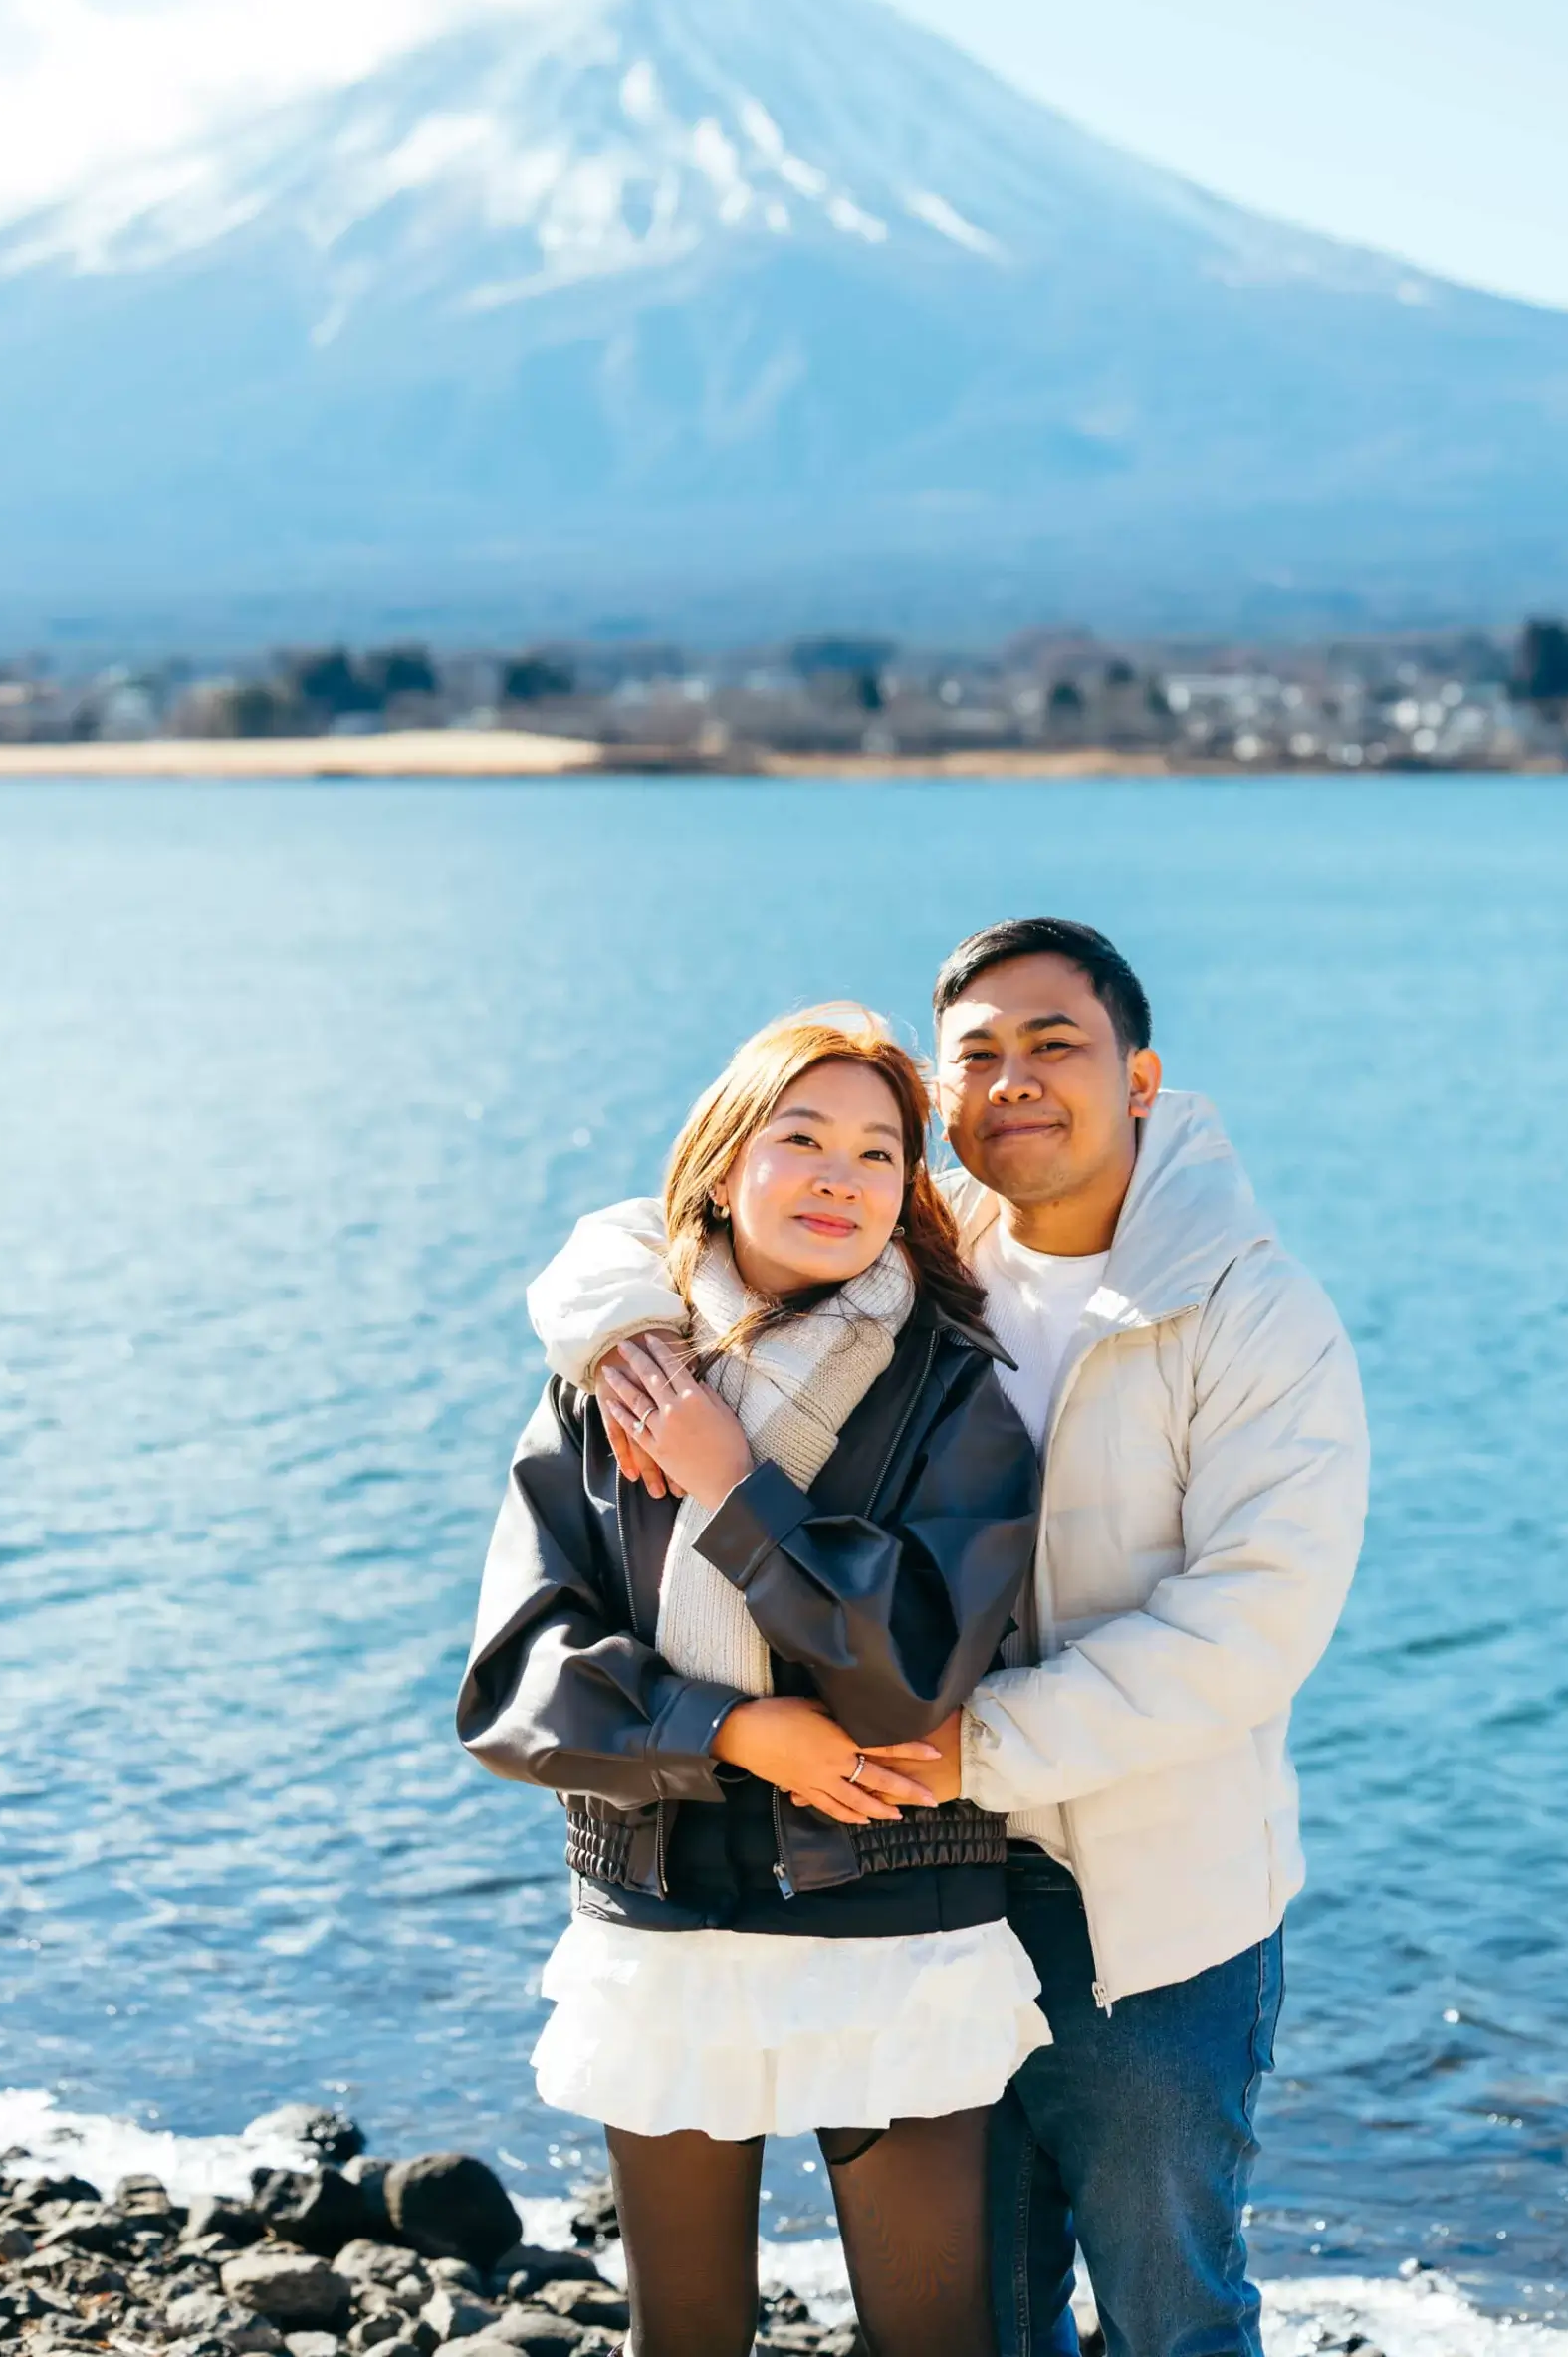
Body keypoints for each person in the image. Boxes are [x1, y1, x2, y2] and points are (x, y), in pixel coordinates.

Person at [526, 918, 1370, 2357]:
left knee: (1168, 2304)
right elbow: (650, 1224)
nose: (1014, 1080)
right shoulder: (928, 1242)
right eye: (977, 1055)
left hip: (1134, 1897)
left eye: (1056, 1044)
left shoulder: (1247, 1309)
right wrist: (621, 1340)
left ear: (1141, 1077)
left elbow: (1250, 1623)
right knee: (982, 2315)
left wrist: (974, 1746)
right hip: (922, 1884)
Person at [457, 1006, 1048, 2357]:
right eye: (803, 1140)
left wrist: (731, 1485)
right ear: (724, 1166)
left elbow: (911, 1678)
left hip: (898, 1918)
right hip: (661, 1911)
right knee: (685, 2339)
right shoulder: (610, 1384)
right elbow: (516, 1680)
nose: (842, 1177)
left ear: (908, 1193)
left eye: (879, 1153)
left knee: (934, 2339)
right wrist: (726, 1729)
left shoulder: (953, 1396)